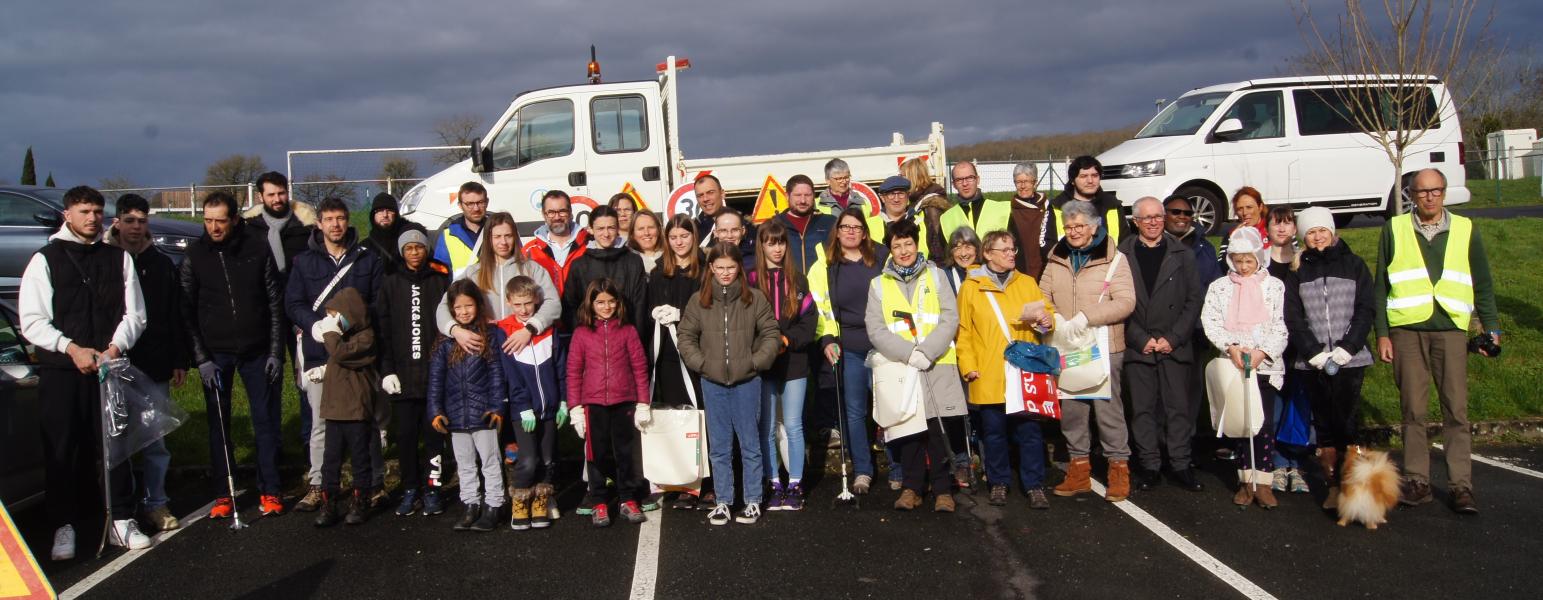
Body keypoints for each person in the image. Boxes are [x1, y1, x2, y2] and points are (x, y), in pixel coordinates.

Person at [21, 185, 149, 559]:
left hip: (109, 369)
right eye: (83, 212)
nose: (92, 218)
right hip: (62, 372)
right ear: (67, 215)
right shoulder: (45, 260)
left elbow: (136, 314)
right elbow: (32, 321)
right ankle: (64, 525)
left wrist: (114, 348)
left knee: (115, 445)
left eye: (96, 211)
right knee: (62, 449)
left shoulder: (118, 259)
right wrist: (71, 349)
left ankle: (122, 519)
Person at [1374, 168, 1500, 514]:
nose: (1429, 197)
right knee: (1412, 410)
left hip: (1450, 329)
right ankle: (1418, 481)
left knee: (1455, 410)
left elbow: (1483, 282)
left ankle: (1461, 486)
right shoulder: (1395, 229)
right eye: (1422, 192)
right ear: (1411, 195)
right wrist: (1382, 333)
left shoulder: (1464, 229)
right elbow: (1380, 286)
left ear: (1444, 193)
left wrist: (1491, 328)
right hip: (1407, 330)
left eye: (1436, 191)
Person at [180, 191, 287, 520]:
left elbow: (273, 302)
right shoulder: (195, 256)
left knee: (265, 421)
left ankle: (270, 489)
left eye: (220, 221)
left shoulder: (256, 249)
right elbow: (186, 310)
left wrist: (274, 352)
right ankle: (223, 493)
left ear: (235, 220)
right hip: (216, 354)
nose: (214, 227)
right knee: (218, 424)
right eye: (208, 221)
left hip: (256, 351)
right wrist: (201, 358)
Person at [287, 197, 385, 512]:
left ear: (348, 220)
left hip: (358, 354)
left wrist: (347, 323)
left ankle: (371, 484)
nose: (335, 224)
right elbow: (293, 303)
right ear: (319, 224)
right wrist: (316, 326)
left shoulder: (367, 259)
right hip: (320, 353)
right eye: (329, 219)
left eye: (340, 218)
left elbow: (376, 302)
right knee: (320, 422)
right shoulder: (304, 262)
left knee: (365, 420)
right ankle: (319, 485)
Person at [865, 219, 968, 512]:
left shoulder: (936, 275)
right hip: (901, 366)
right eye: (897, 245)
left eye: (908, 243)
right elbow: (875, 328)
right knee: (907, 431)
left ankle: (942, 489)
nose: (903, 250)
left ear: (917, 243)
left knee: (937, 430)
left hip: (936, 364)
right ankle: (912, 488)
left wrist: (929, 351)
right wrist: (909, 354)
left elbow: (950, 316)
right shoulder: (878, 284)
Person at [677, 243, 781, 525]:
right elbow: (685, 336)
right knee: (720, 446)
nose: (725, 273)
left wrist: (755, 362)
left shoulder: (754, 299)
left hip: (747, 381)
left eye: (731, 267)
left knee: (750, 443)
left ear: (739, 268)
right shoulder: (699, 300)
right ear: (710, 268)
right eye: (719, 267)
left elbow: (771, 333)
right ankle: (723, 500)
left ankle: (752, 500)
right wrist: (702, 364)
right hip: (712, 382)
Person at [1041, 200, 1136, 503]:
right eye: (1069, 227)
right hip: (1067, 345)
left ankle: (1118, 469)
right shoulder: (1056, 258)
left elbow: (1125, 302)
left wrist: (1087, 317)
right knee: (1072, 409)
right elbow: (1042, 295)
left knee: (1107, 410)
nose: (1074, 232)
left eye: (1080, 226)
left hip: (1104, 346)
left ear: (1095, 226)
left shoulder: (1115, 259)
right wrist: (1052, 316)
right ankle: (1079, 469)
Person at [1282, 207, 1375, 510]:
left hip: (1350, 358)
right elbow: (1294, 317)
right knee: (1322, 423)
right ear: (1303, 237)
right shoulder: (1298, 272)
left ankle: (1356, 489)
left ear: (1332, 232)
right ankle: (1333, 487)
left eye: (1322, 230)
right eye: (1311, 232)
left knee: (1347, 422)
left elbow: (1365, 308)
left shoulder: (1354, 264)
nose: (1318, 236)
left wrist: (1348, 347)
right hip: (1314, 361)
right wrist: (1313, 352)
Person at [106, 194, 188, 532]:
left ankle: (156, 502)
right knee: (116, 442)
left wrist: (179, 358)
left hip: (154, 365)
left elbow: (174, 314)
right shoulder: (104, 260)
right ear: (117, 222)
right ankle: (117, 507)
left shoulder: (160, 263)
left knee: (156, 438)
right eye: (129, 221)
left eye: (142, 221)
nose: (136, 228)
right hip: (114, 365)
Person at [956, 230, 1056, 508]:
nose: (1012, 254)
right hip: (989, 370)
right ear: (988, 254)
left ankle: (1034, 485)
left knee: (1030, 432)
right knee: (994, 432)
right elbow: (964, 332)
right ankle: (998, 482)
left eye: (1013, 249)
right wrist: (969, 366)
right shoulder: (971, 287)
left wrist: (1046, 321)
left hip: (1024, 370)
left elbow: (1046, 317)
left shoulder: (1026, 283)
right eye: (1005, 250)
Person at [1118, 197, 1206, 493]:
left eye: (1158, 216)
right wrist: (1141, 338)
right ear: (1136, 222)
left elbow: (1194, 299)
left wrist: (1173, 337)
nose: (1154, 222)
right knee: (1143, 410)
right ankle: (1150, 465)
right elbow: (1117, 302)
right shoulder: (1122, 254)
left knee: (1177, 408)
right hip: (1138, 344)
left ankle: (1181, 463)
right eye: (1147, 218)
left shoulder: (1183, 253)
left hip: (1174, 343)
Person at [1201, 226, 1288, 509]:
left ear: (1259, 258)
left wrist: (1263, 352)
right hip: (1235, 362)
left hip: (1263, 364)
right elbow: (1211, 321)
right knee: (1241, 423)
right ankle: (1244, 480)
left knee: (1263, 423)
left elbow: (1280, 324)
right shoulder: (1220, 287)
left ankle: (1262, 481)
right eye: (1238, 261)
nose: (1244, 266)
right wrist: (1231, 346)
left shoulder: (1273, 286)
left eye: (1249, 260)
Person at [811, 206, 889, 493]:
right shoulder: (827, 264)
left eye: (857, 227)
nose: (851, 232)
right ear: (838, 231)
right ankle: (863, 471)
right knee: (855, 412)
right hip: (851, 349)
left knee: (889, 409)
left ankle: (898, 467)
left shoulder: (881, 257)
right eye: (845, 227)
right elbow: (820, 307)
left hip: (885, 347)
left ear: (865, 232)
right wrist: (827, 339)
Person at [375, 228, 452, 517]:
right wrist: (387, 370)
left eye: (419, 247)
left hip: (433, 377)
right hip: (402, 379)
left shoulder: (439, 281)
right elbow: (383, 331)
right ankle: (410, 488)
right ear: (402, 252)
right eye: (408, 248)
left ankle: (433, 487)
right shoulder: (390, 284)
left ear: (425, 250)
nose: (414, 252)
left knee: (434, 436)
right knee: (406, 436)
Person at [566, 278, 651, 527]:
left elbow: (639, 367)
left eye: (611, 301)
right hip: (593, 404)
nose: (606, 307)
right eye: (600, 302)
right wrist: (575, 408)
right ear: (590, 303)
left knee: (625, 453)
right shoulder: (582, 333)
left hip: (624, 400)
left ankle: (627, 498)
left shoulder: (627, 330)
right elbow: (573, 372)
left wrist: (643, 402)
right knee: (596, 454)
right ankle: (599, 500)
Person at [428, 281, 509, 533]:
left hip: (483, 413)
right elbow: (435, 380)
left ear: (478, 305)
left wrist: (497, 406)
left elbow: (497, 374)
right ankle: (470, 504)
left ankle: (494, 504)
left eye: (468, 305)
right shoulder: (445, 342)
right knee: (464, 463)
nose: (464, 312)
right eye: (458, 307)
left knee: (490, 460)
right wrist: (435, 410)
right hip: (455, 415)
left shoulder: (490, 336)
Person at [750, 221, 817, 511]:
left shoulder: (798, 280)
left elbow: (809, 322)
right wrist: (764, 347)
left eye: (781, 243)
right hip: (763, 365)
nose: (776, 248)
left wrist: (788, 341)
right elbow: (745, 324)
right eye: (770, 243)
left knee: (792, 425)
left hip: (794, 363)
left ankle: (796, 484)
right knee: (766, 427)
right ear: (761, 246)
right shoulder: (750, 280)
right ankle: (773, 482)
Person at [645, 215, 710, 509]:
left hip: (698, 352)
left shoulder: (705, 270)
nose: (679, 242)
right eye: (673, 237)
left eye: (684, 236)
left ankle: (705, 481)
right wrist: (656, 313)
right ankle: (682, 479)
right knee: (677, 415)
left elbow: (709, 308)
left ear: (693, 237)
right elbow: (650, 306)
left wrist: (683, 314)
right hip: (669, 356)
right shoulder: (659, 273)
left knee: (701, 415)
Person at [437, 212, 561, 358]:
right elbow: (444, 305)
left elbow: (553, 303)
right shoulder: (473, 272)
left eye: (508, 236)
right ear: (488, 239)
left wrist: (529, 329)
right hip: (487, 350)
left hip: (523, 348)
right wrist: (456, 331)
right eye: (497, 237)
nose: (503, 242)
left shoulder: (532, 269)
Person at [497, 276, 566, 530]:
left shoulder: (548, 329)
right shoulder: (503, 331)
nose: (524, 309)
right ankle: (520, 500)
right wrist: (522, 406)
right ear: (509, 302)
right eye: (518, 304)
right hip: (523, 410)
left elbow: (561, 367)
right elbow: (510, 375)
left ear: (536, 300)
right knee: (527, 460)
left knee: (548, 459)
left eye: (528, 303)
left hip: (549, 407)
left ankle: (541, 499)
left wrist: (564, 401)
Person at [310, 287, 378, 528]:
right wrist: (321, 371)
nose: (334, 321)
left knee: (360, 457)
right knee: (331, 460)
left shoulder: (365, 337)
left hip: (356, 409)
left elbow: (340, 354)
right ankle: (329, 502)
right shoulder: (341, 338)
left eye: (336, 315)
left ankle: (361, 500)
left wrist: (330, 333)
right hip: (334, 408)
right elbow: (336, 363)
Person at [1262, 206, 1309, 492]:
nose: (1281, 229)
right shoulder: (1260, 262)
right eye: (1276, 223)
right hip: (1271, 345)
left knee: (1300, 405)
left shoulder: (1305, 260)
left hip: (1301, 343)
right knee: (1275, 406)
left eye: (1288, 224)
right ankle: (1278, 463)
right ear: (1266, 228)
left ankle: (1298, 464)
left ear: (1295, 229)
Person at [562, 206, 647, 334]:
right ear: (590, 229)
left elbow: (640, 306)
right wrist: (584, 337)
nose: (606, 234)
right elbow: (570, 307)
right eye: (600, 228)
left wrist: (636, 339)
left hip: (627, 340)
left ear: (618, 228)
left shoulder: (633, 261)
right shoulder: (579, 265)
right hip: (591, 342)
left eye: (611, 228)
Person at [522, 190, 592, 298]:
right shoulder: (529, 251)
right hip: (545, 313)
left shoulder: (589, 245)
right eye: (551, 212)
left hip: (582, 313)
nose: (557, 217)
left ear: (570, 212)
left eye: (562, 211)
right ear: (544, 215)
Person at [244, 171, 316, 275]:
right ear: (260, 196)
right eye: (271, 195)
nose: (277, 199)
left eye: (281, 193)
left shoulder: (306, 225)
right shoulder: (250, 228)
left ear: (287, 192)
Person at [768, 174, 836, 272]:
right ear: (787, 196)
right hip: (788, 285)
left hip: (823, 286)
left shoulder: (829, 223)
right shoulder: (774, 225)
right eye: (798, 195)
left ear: (813, 196)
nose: (803, 200)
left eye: (807, 195)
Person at [1051, 156, 1125, 241]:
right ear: (1072, 181)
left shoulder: (1112, 204)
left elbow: (1125, 242)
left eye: (1094, 175)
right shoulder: (1056, 206)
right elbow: (1048, 245)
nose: (1090, 181)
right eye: (1083, 176)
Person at [1005, 162, 1058, 278]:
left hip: (1045, 269)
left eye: (1027, 181)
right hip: (1021, 270)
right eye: (1018, 182)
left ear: (1035, 183)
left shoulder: (1046, 206)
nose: (1023, 186)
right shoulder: (1010, 209)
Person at [904, 158, 961, 263]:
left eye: (903, 176)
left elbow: (937, 241)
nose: (901, 181)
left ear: (912, 177)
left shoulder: (932, 205)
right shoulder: (916, 201)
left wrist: (937, 266)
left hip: (934, 265)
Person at [433, 182, 490, 278]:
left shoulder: (501, 230)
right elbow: (441, 276)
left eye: (480, 202)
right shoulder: (448, 235)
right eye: (470, 204)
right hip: (463, 292)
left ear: (487, 202)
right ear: (460, 205)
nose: (476, 208)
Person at [1164, 195, 1224, 285]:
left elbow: (1218, 284)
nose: (1182, 216)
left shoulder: (1206, 248)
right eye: (1176, 212)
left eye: (1187, 213)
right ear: (1163, 215)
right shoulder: (1152, 245)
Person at [361, 192, 428, 274]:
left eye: (389, 210)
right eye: (380, 210)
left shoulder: (409, 238)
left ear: (396, 214)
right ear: (373, 215)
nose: (385, 215)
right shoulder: (365, 246)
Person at [944, 160, 1011, 238]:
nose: (965, 183)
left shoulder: (1004, 209)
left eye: (970, 178)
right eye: (959, 180)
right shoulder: (946, 219)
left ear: (978, 180)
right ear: (954, 185)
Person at [1218, 186, 1268, 260]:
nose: (1245, 213)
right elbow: (1221, 266)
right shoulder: (1232, 235)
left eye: (1249, 207)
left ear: (1260, 207)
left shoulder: (1271, 230)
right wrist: (1233, 240)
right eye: (1240, 209)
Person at [866, 175, 914, 247]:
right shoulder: (868, 225)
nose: (896, 199)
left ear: (908, 196)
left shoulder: (922, 222)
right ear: (882, 198)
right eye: (891, 194)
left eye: (901, 194)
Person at [943, 228, 982, 293]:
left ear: (977, 249)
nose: (963, 253)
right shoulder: (945, 276)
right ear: (951, 252)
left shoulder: (989, 273)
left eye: (968, 247)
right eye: (958, 248)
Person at [629, 209, 665, 274]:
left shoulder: (671, 257)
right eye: (641, 229)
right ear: (632, 234)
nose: (646, 233)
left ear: (659, 230)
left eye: (651, 227)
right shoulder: (627, 261)